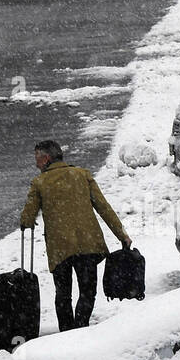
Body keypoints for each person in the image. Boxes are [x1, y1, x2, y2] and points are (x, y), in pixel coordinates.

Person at [20, 140, 131, 331]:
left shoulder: (39, 183)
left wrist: (26, 221)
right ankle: (81, 328)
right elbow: (104, 207)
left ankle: (67, 333)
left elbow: (27, 218)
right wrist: (122, 235)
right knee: (87, 292)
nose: (36, 163)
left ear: (46, 158)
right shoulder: (82, 175)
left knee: (63, 294)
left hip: (60, 248)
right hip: (88, 245)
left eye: (37, 158)